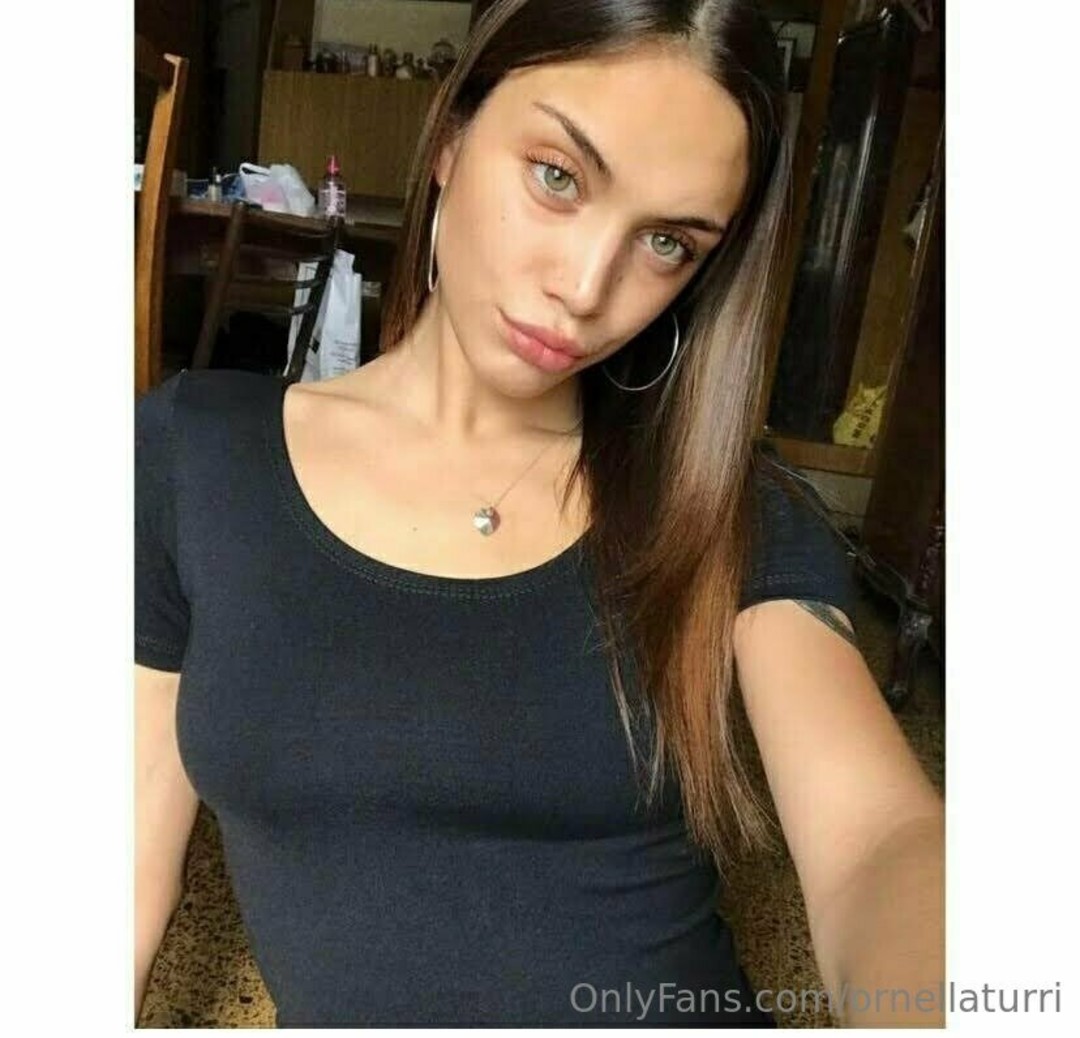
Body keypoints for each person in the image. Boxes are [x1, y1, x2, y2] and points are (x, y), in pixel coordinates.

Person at [135, 0, 944, 1027]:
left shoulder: (725, 505)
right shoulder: (196, 455)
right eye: (558, 177)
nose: (587, 287)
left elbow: (878, 839)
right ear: (451, 136)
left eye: (666, 241)